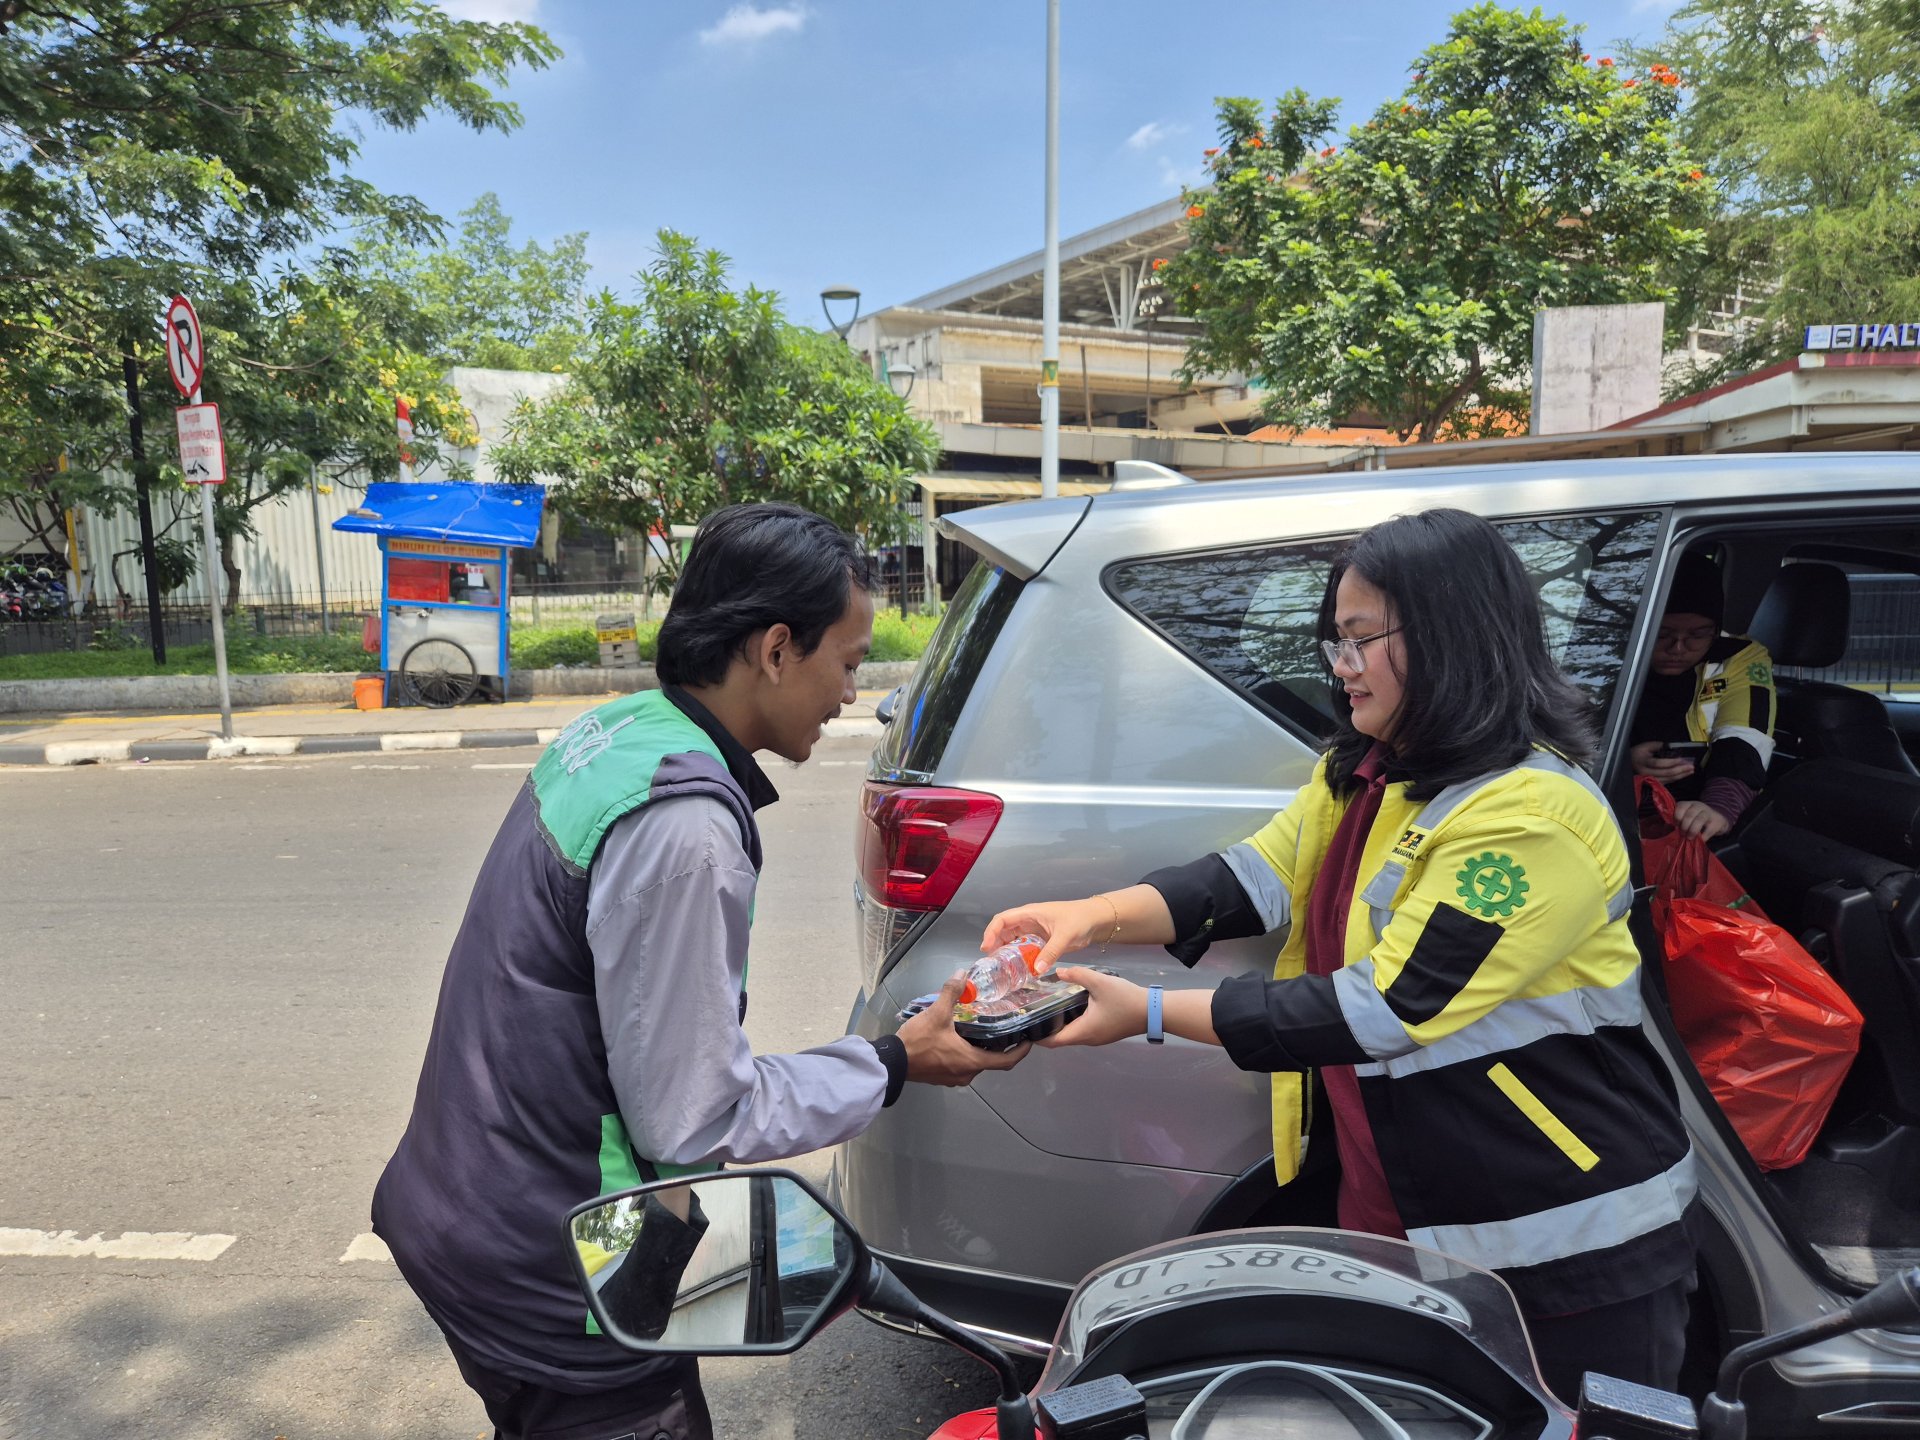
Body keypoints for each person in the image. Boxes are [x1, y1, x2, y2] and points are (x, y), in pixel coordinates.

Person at [982, 508, 1698, 1404]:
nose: (1341, 666)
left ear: (1448, 637)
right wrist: (1090, 914)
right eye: (1335, 641)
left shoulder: (1529, 820)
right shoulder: (1366, 773)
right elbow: (1258, 875)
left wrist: (1148, 1013)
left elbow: (1386, 1007)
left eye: (1361, 639)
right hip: (1410, 1215)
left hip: (1564, 1236)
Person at [373, 502, 1023, 1440]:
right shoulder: (688, 831)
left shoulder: (622, 733)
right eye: (846, 660)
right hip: (558, 1269)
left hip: (464, 1204)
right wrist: (894, 1062)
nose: (854, 691)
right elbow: (694, 1114)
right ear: (773, 649)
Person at [1630, 551, 1776, 840]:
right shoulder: (1605, 659)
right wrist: (1622, 763)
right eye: (1662, 634)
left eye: (1698, 634)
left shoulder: (1738, 657)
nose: (1678, 648)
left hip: (1695, 809)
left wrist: (1719, 807)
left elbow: (1745, 736)